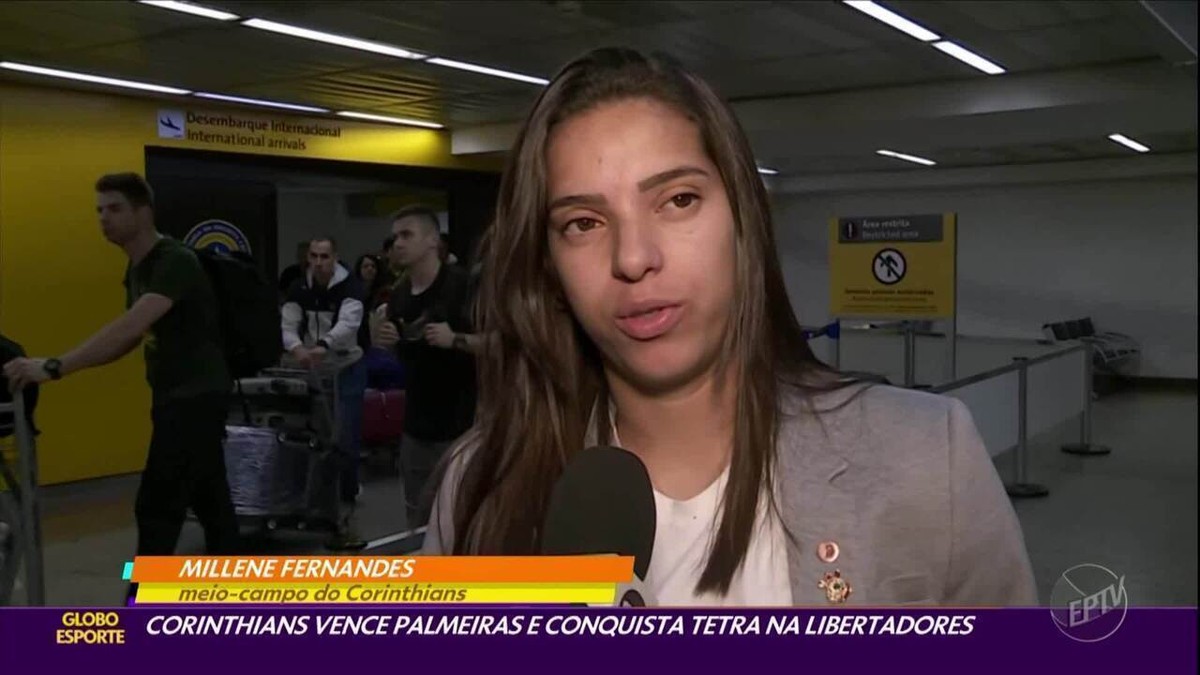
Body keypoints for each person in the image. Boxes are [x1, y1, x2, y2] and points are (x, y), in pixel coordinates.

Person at [419, 48, 1037, 607]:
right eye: (582, 222)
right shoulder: (480, 484)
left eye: (678, 200)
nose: (633, 258)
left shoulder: (926, 457)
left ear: (744, 222)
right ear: (549, 269)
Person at [4, 173, 240, 580]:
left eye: (114, 209)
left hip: (194, 398)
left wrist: (56, 366)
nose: (103, 219)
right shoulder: (139, 267)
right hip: (174, 398)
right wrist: (64, 366)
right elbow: (128, 339)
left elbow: (132, 326)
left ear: (143, 212)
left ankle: (140, 615)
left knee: (155, 508)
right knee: (211, 503)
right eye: (98, 210)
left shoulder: (174, 260)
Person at [373, 205, 479, 528]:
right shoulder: (400, 295)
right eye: (395, 237)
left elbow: (508, 343)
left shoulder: (463, 286)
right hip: (416, 428)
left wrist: (457, 339)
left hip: (464, 427)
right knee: (419, 522)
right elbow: (400, 357)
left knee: (464, 520)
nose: (398, 244)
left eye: (407, 235)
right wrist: (388, 342)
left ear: (432, 240)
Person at [281, 237, 370, 517]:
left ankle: (348, 491)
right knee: (316, 432)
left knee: (346, 433)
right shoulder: (299, 287)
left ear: (335, 258)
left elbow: (348, 323)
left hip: (346, 364)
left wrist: (324, 345)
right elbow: (289, 323)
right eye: (314, 256)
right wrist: (296, 348)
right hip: (315, 368)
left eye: (325, 257)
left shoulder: (351, 286)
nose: (319, 263)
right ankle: (318, 496)